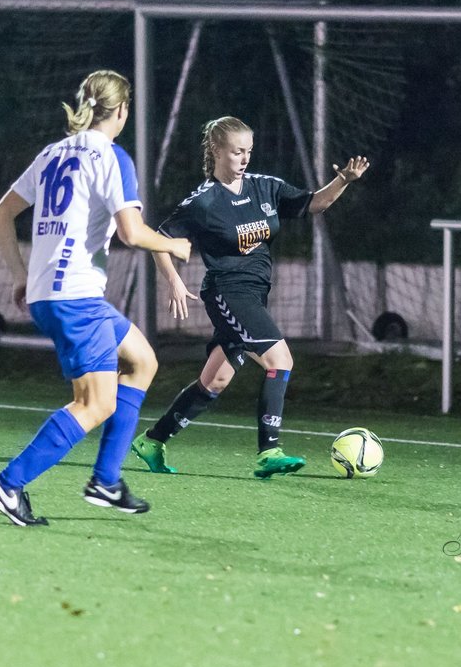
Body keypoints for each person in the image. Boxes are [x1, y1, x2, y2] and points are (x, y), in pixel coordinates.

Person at [0, 70, 192, 526]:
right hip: (75, 297)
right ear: (122, 111)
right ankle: (9, 484)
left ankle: (106, 481)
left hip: (51, 294)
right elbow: (133, 233)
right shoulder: (112, 158)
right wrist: (174, 245)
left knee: (141, 361)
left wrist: (21, 276)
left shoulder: (52, 153)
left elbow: (2, 215)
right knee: (95, 404)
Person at [131, 116, 369, 478]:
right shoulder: (204, 201)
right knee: (281, 359)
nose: (245, 158)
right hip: (227, 292)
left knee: (215, 382)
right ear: (216, 151)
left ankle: (152, 440)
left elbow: (315, 203)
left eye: (249, 151)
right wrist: (174, 281)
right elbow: (159, 238)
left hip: (255, 295)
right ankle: (269, 451)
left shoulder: (266, 187)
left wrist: (343, 181)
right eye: (237, 151)